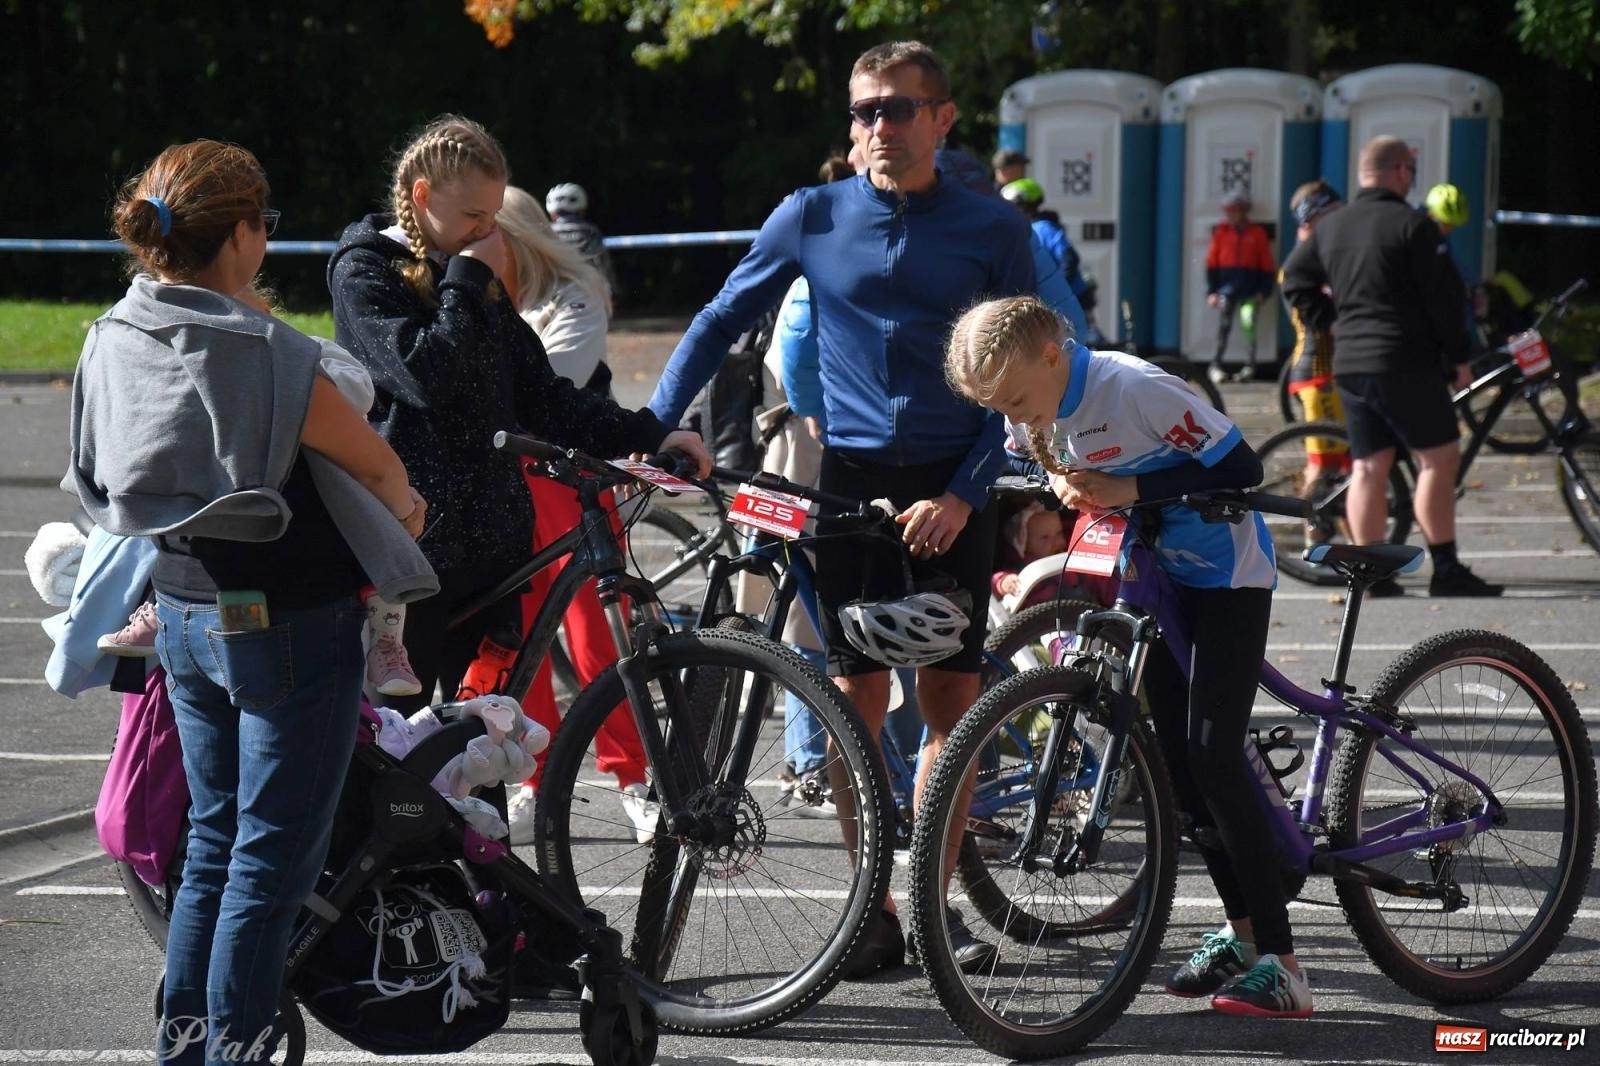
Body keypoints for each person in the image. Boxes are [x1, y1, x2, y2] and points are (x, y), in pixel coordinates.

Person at [648, 40, 1035, 978]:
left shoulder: (991, 227)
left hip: (955, 475)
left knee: (952, 702)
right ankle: (872, 908)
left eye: (898, 109)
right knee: (853, 698)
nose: (878, 128)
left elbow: (1021, 381)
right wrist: (649, 425)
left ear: (942, 119)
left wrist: (962, 493)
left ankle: (934, 911)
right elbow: (716, 321)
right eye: (864, 112)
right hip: (850, 483)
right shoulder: (811, 214)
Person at [65, 139, 434, 1064]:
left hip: (183, 615)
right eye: (262, 225)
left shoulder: (114, 336)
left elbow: (91, 473)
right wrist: (407, 514)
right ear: (240, 235)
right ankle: (233, 1050)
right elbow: (381, 467)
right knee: (269, 861)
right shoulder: (270, 353)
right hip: (291, 624)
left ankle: (184, 1047)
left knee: (214, 847)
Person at [945, 293, 1313, 1019]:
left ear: (1053, 354)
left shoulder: (1133, 387)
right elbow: (1023, 461)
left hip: (1226, 578)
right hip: (1160, 579)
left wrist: (1132, 487)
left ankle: (1287, 965)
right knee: (1178, 770)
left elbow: (1242, 467)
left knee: (1213, 756)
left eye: (1018, 399)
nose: (1015, 419)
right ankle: (1241, 939)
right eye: (1002, 409)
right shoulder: (1035, 405)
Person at [329, 114, 712, 715]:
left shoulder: (469, 273)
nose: (487, 233)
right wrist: (467, 281)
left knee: (486, 748)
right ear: (422, 196)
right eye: (473, 217)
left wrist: (651, 431)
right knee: (398, 747)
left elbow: (543, 394)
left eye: (493, 217)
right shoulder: (365, 271)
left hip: (494, 556)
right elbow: (425, 375)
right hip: (412, 556)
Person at [487, 183, 656, 844]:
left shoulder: (573, 295)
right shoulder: (479, 293)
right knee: (516, 638)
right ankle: (530, 776)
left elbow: (544, 390)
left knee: (597, 639)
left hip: (570, 479)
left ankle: (636, 778)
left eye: (485, 231)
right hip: (507, 482)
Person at [1282, 135, 1501, 597]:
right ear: (1400, 171)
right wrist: (1459, 357)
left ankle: (1373, 574)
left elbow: (1296, 281)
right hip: (1404, 360)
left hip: (1352, 365)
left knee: (1368, 466)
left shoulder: (1331, 226)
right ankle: (1446, 568)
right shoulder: (1413, 226)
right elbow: (1444, 303)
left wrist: (1333, 323)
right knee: (1437, 458)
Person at [1279, 179, 1351, 550]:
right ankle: (1310, 538)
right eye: (1334, 215)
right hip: (1316, 372)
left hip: (1329, 372)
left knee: (1344, 464)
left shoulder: (1319, 251)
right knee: (1323, 465)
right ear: (1314, 217)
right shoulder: (1306, 260)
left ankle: (1356, 547)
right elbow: (1320, 316)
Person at [1000, 177, 1095, 329]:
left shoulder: (1043, 228)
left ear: (1025, 206)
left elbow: (1070, 259)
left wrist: (1056, 288)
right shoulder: (1030, 229)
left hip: (1069, 301)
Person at [1204, 189, 1276, 383]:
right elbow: (1212, 264)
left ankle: (1250, 366)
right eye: (1228, 211)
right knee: (1224, 326)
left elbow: (1267, 264)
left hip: (1251, 291)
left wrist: (1264, 291)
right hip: (1226, 289)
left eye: (1235, 210)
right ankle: (1216, 364)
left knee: (1248, 322)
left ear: (1244, 211)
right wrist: (1211, 291)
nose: (1231, 215)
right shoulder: (1221, 232)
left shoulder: (1257, 233)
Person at [544, 181, 618, 296]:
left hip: (551, 293)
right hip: (586, 293)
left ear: (551, 211)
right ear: (582, 208)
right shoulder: (590, 232)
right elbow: (602, 264)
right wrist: (612, 293)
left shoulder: (545, 233)